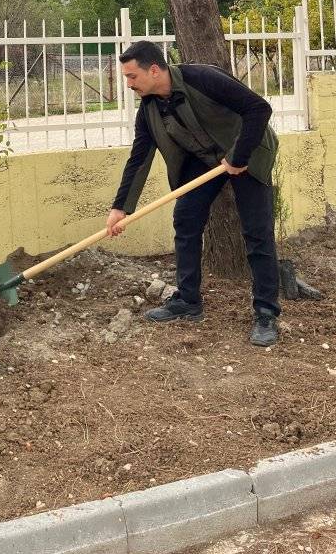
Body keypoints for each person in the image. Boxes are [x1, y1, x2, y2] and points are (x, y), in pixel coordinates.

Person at [104, 41, 281, 347]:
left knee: (257, 231)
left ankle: (266, 312)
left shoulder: (203, 78)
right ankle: (188, 300)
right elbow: (139, 158)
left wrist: (239, 156)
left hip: (247, 151)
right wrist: (121, 208)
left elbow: (259, 108)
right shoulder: (148, 110)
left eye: (132, 77)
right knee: (185, 219)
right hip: (204, 161)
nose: (129, 84)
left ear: (155, 70)